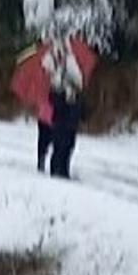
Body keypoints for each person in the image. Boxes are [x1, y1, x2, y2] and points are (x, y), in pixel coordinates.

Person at [41, 38, 85, 179]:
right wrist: (62, 93)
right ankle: (56, 171)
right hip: (61, 117)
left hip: (71, 118)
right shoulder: (54, 75)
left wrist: (72, 92)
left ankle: (64, 170)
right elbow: (53, 99)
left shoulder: (72, 64)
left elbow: (79, 84)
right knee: (59, 145)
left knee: (68, 145)